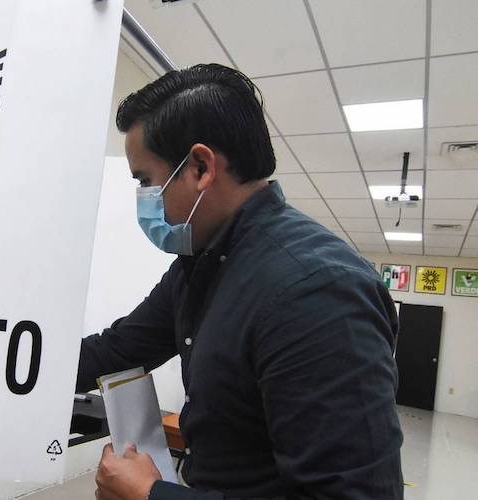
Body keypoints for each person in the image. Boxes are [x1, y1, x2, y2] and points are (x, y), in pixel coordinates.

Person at [77, 64, 403, 500]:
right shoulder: (201, 265)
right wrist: (13, 365)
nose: (143, 199)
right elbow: (119, 349)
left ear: (200, 167)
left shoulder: (316, 292)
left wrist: (151, 495)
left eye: (146, 181)